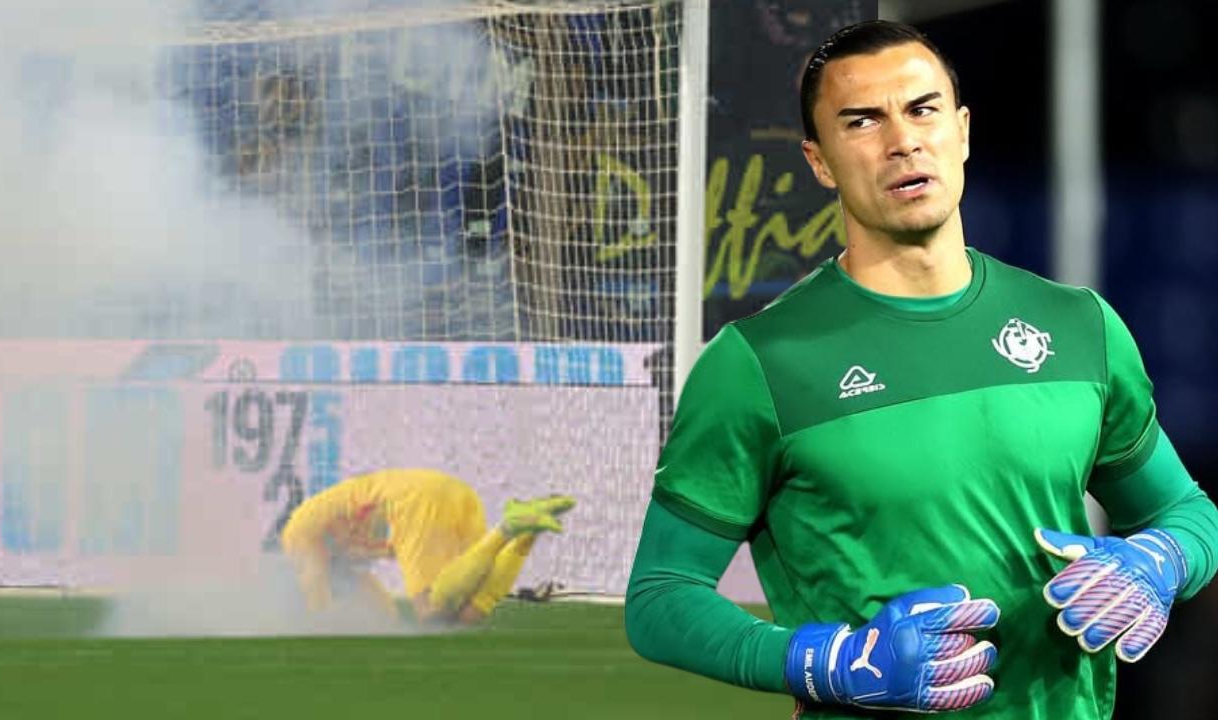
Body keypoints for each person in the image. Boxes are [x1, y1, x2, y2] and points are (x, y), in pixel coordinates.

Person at [625, 19, 1218, 719]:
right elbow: (660, 597)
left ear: (961, 131)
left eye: (922, 109)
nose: (902, 140)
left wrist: (1157, 562)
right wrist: (830, 663)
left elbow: (1186, 512)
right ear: (819, 161)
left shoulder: (1079, 326)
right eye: (862, 121)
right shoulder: (757, 363)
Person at [281, 467, 574, 624]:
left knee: (431, 611)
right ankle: (525, 531)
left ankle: (507, 528)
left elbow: (315, 579)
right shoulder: (342, 518)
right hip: (453, 492)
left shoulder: (298, 536)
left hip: (416, 501)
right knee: (471, 612)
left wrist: (319, 623)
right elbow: (381, 607)